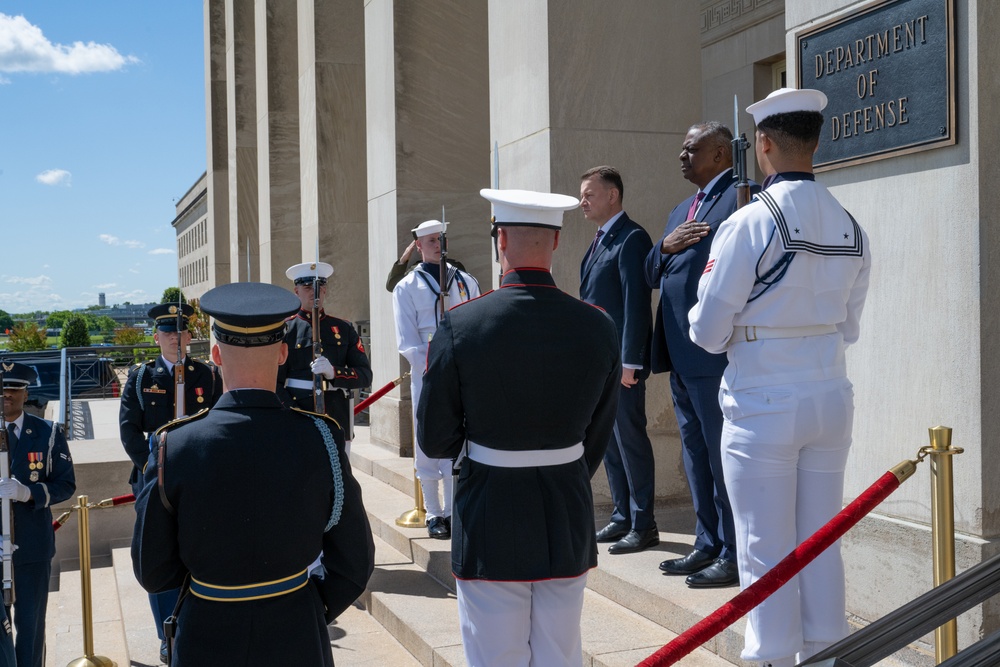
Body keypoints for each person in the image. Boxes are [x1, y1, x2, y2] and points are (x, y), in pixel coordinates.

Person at [688, 88, 871, 667]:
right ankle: (824, 652)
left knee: (764, 546)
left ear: (763, 145)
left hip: (764, 397)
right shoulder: (851, 224)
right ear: (814, 143)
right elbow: (850, 326)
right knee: (821, 540)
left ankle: (768, 657)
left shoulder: (747, 222)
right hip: (828, 392)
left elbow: (706, 329)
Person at [418, 189, 621, 667]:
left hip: (491, 508)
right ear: (555, 241)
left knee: (495, 656)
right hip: (566, 504)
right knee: (560, 653)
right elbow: (599, 430)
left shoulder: (461, 324)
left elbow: (435, 436)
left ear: (500, 240)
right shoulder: (597, 325)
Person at [132, 281, 375, 667]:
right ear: (282, 354)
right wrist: (307, 608)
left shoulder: (173, 445)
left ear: (215, 354)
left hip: (205, 634)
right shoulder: (321, 437)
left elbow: (153, 569)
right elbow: (355, 562)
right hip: (296, 633)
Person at [644, 121, 749, 588]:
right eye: (682, 149)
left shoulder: (742, 199)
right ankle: (706, 541)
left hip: (713, 353)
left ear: (722, 153)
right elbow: (649, 270)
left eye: (692, 149)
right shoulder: (679, 209)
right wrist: (663, 247)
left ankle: (731, 549)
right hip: (679, 353)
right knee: (695, 453)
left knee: (720, 452)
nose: (682, 157)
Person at [119, 301, 224, 662]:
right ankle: (167, 633)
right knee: (160, 556)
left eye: (180, 331)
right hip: (152, 478)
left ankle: (197, 623)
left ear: (190, 335)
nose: (174, 338)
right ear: (156, 337)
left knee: (200, 549)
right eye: (167, 332)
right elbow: (129, 430)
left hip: (199, 476)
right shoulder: (141, 377)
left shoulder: (207, 376)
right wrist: (155, 467)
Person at [578, 165, 658, 555]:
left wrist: (631, 361)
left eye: (589, 194)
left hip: (621, 365)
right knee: (608, 441)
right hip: (598, 363)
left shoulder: (631, 239)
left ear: (613, 195)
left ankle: (644, 524)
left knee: (630, 439)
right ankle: (623, 514)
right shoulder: (598, 240)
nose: (583, 202)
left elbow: (636, 306)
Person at [392, 220, 480, 539]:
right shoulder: (406, 287)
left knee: (461, 438)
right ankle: (433, 511)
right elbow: (407, 341)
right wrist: (435, 365)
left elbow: (476, 324)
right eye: (429, 241)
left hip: (463, 371)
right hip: (429, 373)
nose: (436, 245)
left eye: (440, 239)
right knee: (428, 439)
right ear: (418, 246)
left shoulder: (465, 281)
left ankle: (456, 509)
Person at [0, 361, 76, 667]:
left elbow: (66, 484)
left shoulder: (47, 433)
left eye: (14, 389)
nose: (7, 395)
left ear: (26, 392)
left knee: (31, 626)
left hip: (33, 546)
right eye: (2, 388)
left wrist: (29, 492)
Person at [278, 261, 372, 452]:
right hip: (298, 415)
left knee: (339, 477)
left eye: (320, 286)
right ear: (296, 291)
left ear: (326, 290)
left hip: (337, 416)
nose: (315, 292)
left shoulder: (344, 328)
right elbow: (274, 382)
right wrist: (292, 413)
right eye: (307, 287)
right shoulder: (286, 330)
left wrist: (334, 373)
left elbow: (364, 375)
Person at [385, 238, 467, 292]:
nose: (437, 246)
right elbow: (392, 286)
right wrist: (403, 259)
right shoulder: (415, 270)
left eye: (439, 240)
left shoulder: (455, 266)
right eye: (431, 241)